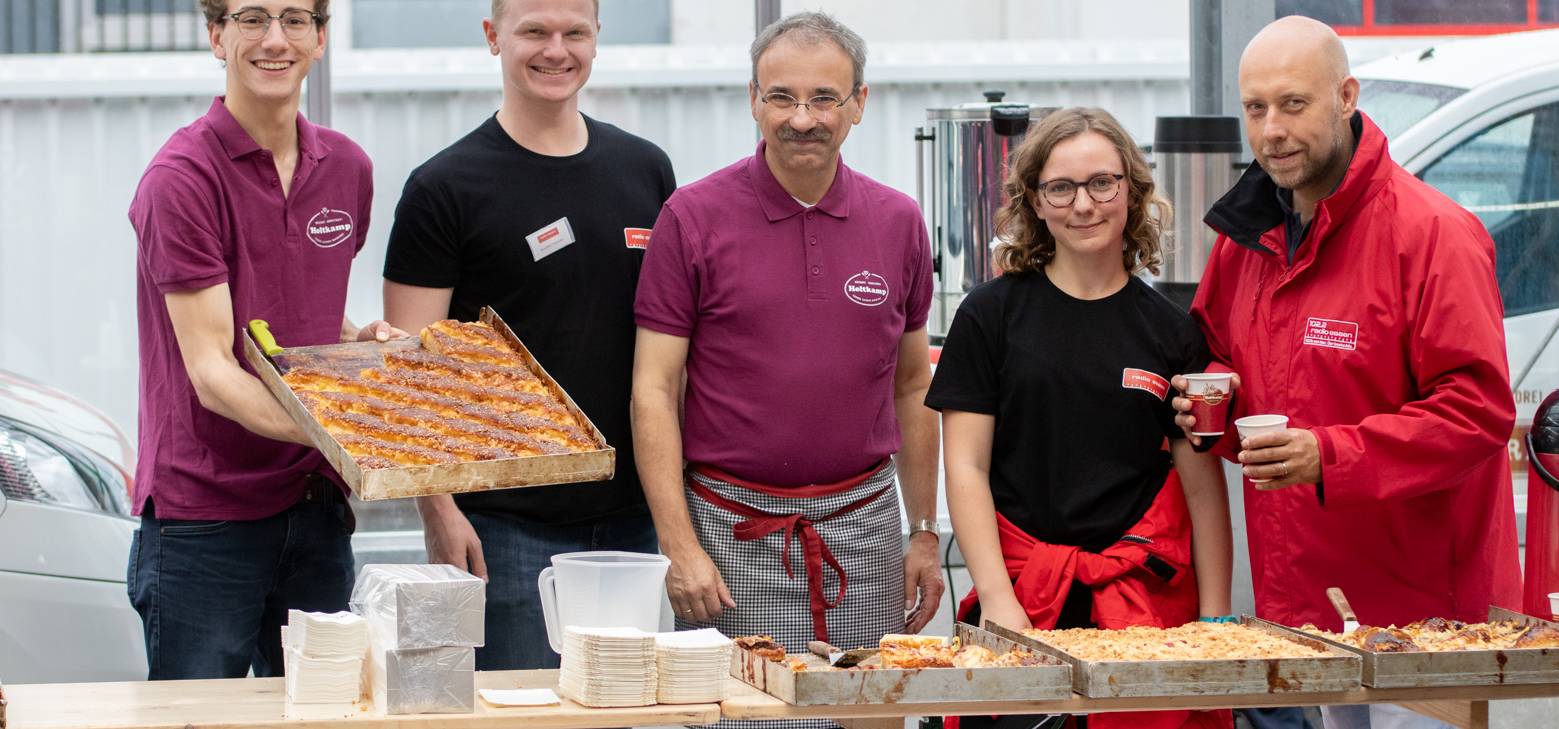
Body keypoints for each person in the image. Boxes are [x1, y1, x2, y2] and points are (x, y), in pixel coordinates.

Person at [1174, 16, 1521, 729]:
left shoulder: (1432, 234)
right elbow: (1213, 348)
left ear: (1347, 97)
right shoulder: (1245, 243)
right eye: (1255, 108)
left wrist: (1327, 454)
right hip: (1297, 618)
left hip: (1420, 628)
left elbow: (1478, 410)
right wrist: (1205, 400)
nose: (1272, 130)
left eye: (1293, 104)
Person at [632, 9, 943, 687]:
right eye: (781, 97)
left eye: (824, 98)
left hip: (866, 534)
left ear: (860, 103)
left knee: (865, 711)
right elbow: (653, 389)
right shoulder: (692, 216)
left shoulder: (897, 221)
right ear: (753, 99)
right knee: (743, 712)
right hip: (727, 534)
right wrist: (678, 544)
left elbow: (914, 385)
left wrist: (924, 529)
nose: (802, 118)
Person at [381, 0, 676, 670]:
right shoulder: (444, 188)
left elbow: (671, 351)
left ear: (598, 37)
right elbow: (407, 376)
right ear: (493, 38)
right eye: (534, 32)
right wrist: (439, 510)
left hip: (633, 517)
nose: (556, 50)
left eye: (575, 32)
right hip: (504, 525)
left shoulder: (645, 170)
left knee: (622, 711)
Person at [927, 107, 1232, 729]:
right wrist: (998, 601)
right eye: (1060, 188)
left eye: (1102, 182)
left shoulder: (1172, 331)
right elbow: (964, 465)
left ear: (1131, 190)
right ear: (1036, 202)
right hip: (1023, 595)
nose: (1084, 204)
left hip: (1142, 607)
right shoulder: (991, 316)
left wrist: (1218, 619)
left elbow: (1201, 486)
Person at [127, 0, 404, 680]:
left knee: (324, 713)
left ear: (320, 39)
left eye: (295, 19)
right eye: (252, 18)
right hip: (205, 519)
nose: (274, 39)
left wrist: (362, 340)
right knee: (198, 723)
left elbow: (302, 311)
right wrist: (349, 432)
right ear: (217, 36)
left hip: (314, 513)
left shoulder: (348, 168)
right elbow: (214, 371)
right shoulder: (182, 180)